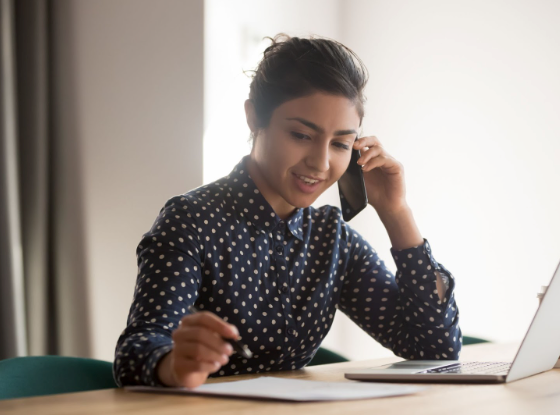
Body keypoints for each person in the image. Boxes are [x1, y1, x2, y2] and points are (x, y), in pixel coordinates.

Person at [113, 33, 461, 388]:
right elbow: (137, 350)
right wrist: (174, 365)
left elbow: (435, 349)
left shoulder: (331, 238)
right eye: (301, 135)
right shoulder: (191, 220)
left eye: (340, 143)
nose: (321, 162)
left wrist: (395, 211)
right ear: (253, 118)